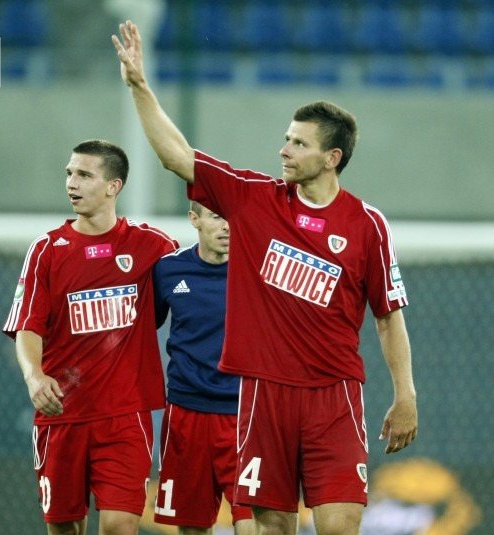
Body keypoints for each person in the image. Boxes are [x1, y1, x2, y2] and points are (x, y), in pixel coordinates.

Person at [113, 21, 418, 535]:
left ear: (332, 158)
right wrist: (140, 86)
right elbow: (176, 156)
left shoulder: (367, 225)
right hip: (263, 396)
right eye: (286, 139)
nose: (284, 150)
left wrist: (405, 394)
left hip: (334, 396)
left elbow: (389, 317)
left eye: (298, 143)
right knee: (272, 526)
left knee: (341, 524)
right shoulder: (255, 200)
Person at [2, 139, 178, 535]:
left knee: (120, 525)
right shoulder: (47, 250)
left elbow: (187, 298)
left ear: (114, 186)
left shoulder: (153, 246)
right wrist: (34, 377)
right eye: (69, 173)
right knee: (65, 527)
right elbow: (28, 326)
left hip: (125, 415)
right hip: (62, 413)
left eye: (84, 175)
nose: (71, 183)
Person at [152, 201, 255, 535]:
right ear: (194, 219)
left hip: (244, 415)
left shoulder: (258, 269)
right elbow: (145, 327)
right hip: (186, 414)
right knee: (191, 526)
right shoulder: (168, 269)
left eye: (232, 217)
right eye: (216, 217)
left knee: (253, 520)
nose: (227, 226)